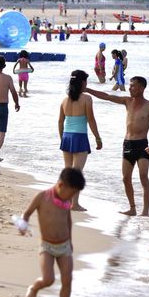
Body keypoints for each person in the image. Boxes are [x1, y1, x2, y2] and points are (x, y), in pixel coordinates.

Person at [85, 76, 149, 216]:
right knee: (126, 178)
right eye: (130, 85)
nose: (130, 88)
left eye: (133, 86)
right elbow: (107, 96)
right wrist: (87, 89)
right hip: (127, 144)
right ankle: (132, 208)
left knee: (143, 176)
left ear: (142, 88)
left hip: (142, 145)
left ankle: (145, 211)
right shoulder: (127, 101)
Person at [16, 167, 86, 297]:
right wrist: (23, 225)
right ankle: (33, 288)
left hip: (64, 245)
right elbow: (27, 213)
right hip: (46, 246)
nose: (71, 197)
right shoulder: (42, 197)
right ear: (61, 185)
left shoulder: (65, 201)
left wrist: (70, 241)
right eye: (71, 193)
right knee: (48, 279)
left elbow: (68, 220)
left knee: (67, 280)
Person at [59, 70, 102, 211]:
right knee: (77, 173)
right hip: (79, 136)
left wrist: (62, 138)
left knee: (68, 170)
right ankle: (74, 204)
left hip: (67, 135)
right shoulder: (86, 99)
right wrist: (97, 137)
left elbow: (60, 121)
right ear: (83, 83)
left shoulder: (65, 100)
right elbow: (91, 119)